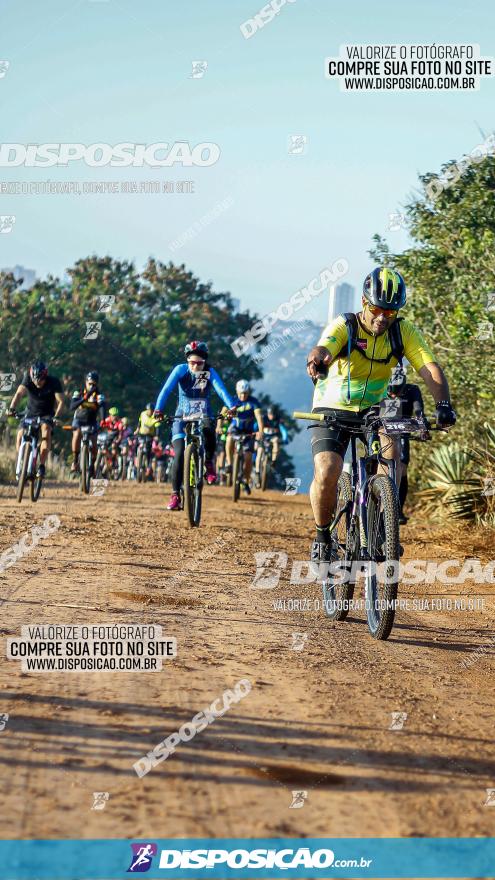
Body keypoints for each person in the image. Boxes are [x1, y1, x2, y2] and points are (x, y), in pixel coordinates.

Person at [305, 266, 456, 566]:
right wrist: (318, 361)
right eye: (376, 309)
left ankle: (381, 523)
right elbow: (324, 348)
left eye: (390, 311)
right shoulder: (345, 325)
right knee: (328, 469)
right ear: (364, 303)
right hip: (333, 403)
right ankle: (323, 537)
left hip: (377, 404)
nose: (382, 317)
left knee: (393, 454)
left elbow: (428, 367)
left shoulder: (402, 330)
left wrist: (443, 405)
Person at [153, 341, 236, 510]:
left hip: (203, 412)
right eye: (192, 362)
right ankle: (175, 494)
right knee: (178, 455)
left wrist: (231, 406)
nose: (196, 366)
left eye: (199, 363)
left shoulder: (209, 372)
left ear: (204, 362)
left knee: (209, 430)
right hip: (181, 414)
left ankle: (208, 463)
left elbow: (220, 390)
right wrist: (158, 409)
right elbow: (166, 389)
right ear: (187, 361)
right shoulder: (180, 370)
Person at [381, 365, 424, 525]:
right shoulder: (379, 387)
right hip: (380, 428)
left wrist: (422, 426)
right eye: (390, 393)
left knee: (402, 467)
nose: (392, 395)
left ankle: (397, 509)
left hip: (403, 430)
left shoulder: (413, 390)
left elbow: (418, 410)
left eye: (396, 392)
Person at [8, 360, 64, 478]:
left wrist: (57, 416)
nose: (37, 383)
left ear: (45, 376)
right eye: (35, 380)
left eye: (40, 380)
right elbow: (19, 394)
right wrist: (12, 408)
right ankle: (22, 460)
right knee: (20, 434)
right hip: (30, 412)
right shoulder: (28, 378)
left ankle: (42, 465)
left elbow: (60, 402)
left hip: (46, 414)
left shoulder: (54, 382)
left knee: (46, 430)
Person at [225, 380, 264, 492]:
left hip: (248, 432)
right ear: (237, 392)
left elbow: (259, 417)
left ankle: (246, 481)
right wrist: (219, 426)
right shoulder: (232, 400)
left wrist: (260, 431)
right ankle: (229, 463)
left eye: (245, 393)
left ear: (248, 392)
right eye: (241, 393)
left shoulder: (254, 402)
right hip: (235, 429)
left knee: (248, 458)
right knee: (229, 439)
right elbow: (223, 411)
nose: (243, 396)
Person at [69, 371, 106, 474]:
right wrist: (83, 399)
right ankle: (75, 460)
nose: (91, 386)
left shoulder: (99, 394)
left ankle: (93, 463)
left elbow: (102, 407)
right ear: (86, 382)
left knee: (94, 441)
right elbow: (72, 406)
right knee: (76, 434)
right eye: (90, 384)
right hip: (78, 420)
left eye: (94, 384)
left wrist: (103, 419)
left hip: (91, 421)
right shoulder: (79, 392)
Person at [134, 403, 160, 478]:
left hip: (150, 435)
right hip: (142, 434)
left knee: (148, 449)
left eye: (151, 410)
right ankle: (136, 457)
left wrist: (157, 436)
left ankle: (148, 464)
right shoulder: (143, 414)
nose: (150, 412)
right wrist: (137, 429)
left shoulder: (155, 416)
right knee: (136, 444)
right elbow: (139, 422)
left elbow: (157, 427)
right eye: (148, 410)